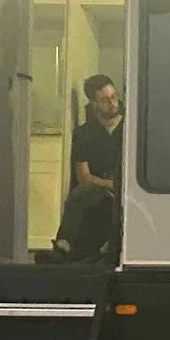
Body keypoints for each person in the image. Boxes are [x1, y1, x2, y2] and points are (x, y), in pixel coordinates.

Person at [56, 73, 122, 260]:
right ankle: (63, 245)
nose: (112, 103)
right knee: (79, 195)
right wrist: (109, 184)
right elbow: (84, 177)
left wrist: (118, 185)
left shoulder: (129, 129)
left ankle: (110, 248)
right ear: (94, 104)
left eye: (114, 97)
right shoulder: (84, 134)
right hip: (99, 188)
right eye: (105, 99)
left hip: (126, 187)